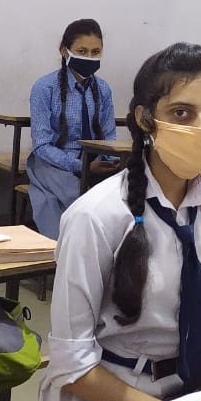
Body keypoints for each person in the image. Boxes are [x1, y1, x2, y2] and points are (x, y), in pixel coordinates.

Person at [37, 43, 201, 401]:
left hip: (192, 399)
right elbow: (71, 363)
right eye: (181, 113)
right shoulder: (96, 217)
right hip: (112, 400)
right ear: (146, 120)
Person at [25, 19, 117, 238]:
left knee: (124, 193)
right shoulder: (45, 87)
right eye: (82, 51)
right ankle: (70, 246)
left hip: (95, 160)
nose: (89, 57)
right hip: (54, 161)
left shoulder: (103, 89)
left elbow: (109, 137)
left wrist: (110, 161)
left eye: (96, 52)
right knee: (77, 197)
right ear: (64, 50)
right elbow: (41, 145)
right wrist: (81, 166)